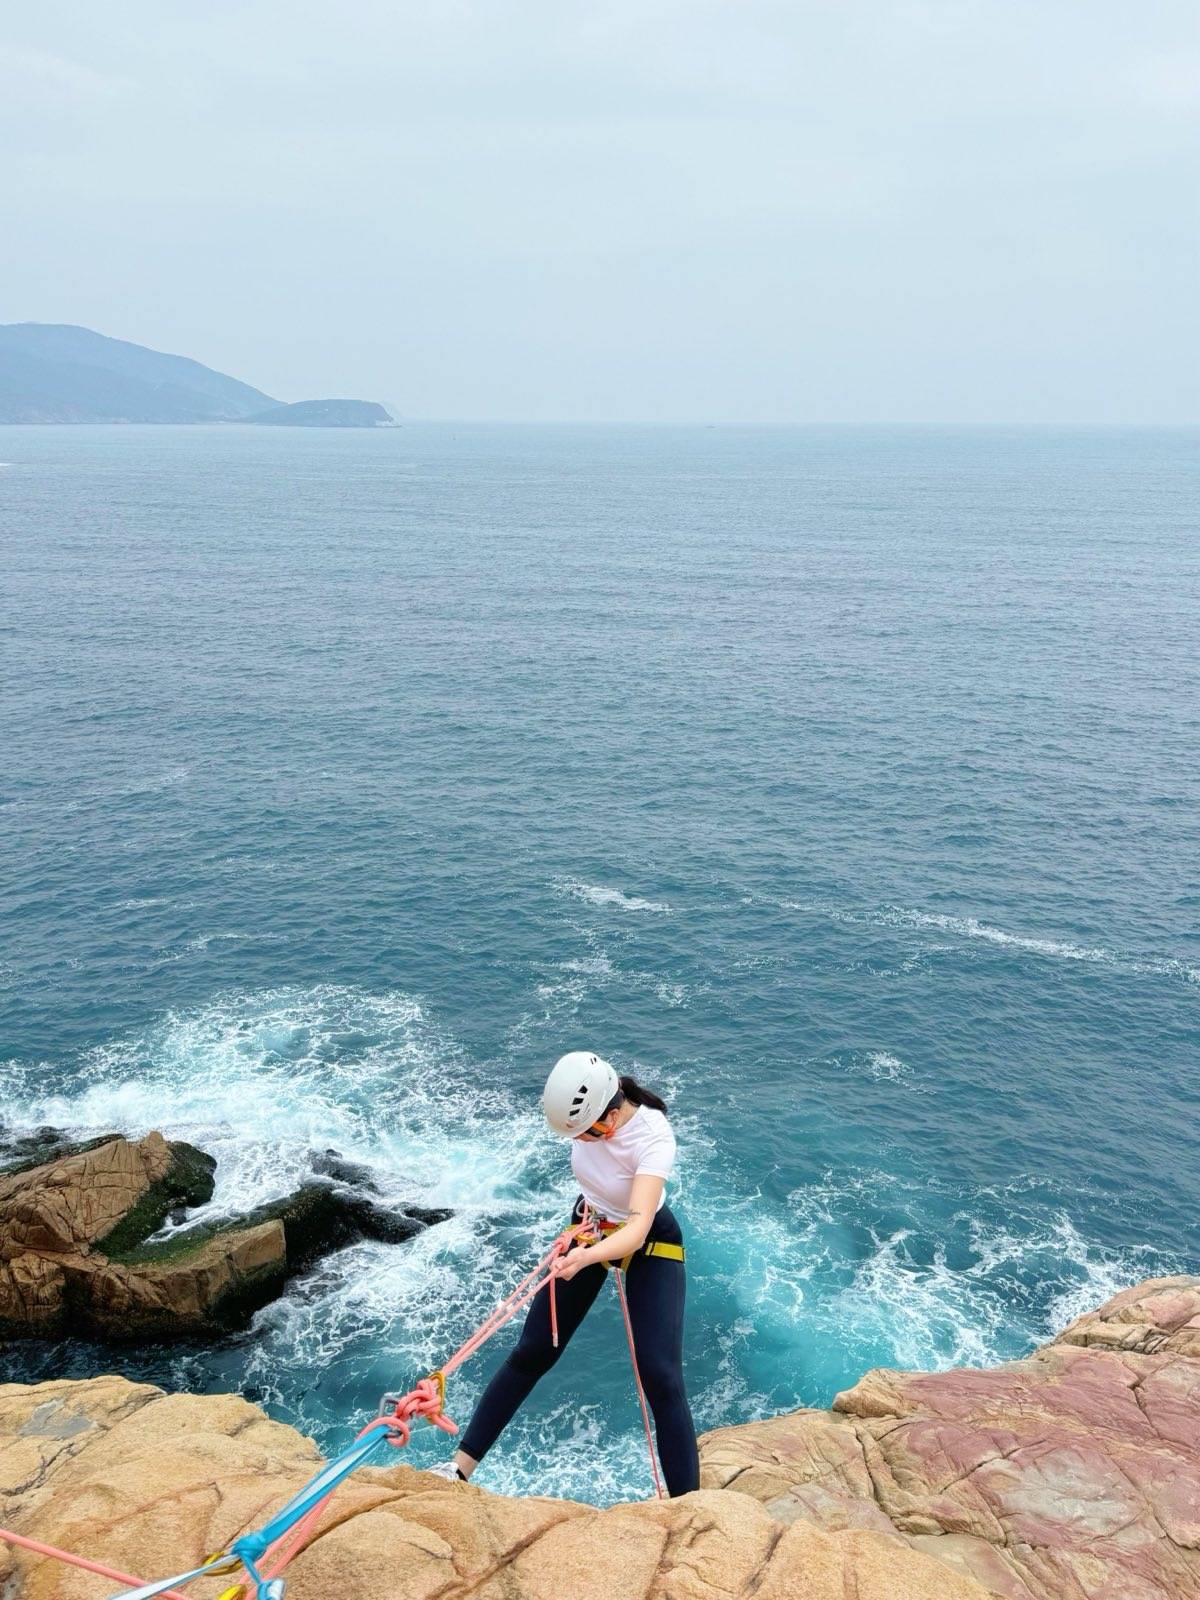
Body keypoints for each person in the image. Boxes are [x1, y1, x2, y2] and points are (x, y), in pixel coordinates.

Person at [428, 1051, 700, 1495]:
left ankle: (688, 1505)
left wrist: (585, 1258)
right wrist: (583, 1247)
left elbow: (636, 1227)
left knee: (661, 1375)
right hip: (590, 1225)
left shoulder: (653, 1137)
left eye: (587, 1134)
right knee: (533, 1351)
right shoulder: (591, 1118)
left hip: (647, 1240)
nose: (584, 1142)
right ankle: (458, 1469)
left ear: (612, 1118)